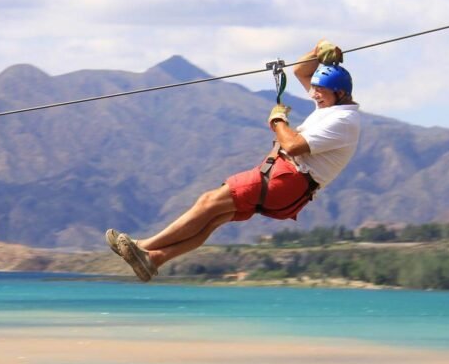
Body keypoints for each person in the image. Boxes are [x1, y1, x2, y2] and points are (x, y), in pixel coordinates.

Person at [107, 41, 361, 282]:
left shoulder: (342, 121)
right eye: (314, 89)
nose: (315, 95)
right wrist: (319, 48)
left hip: (286, 179)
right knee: (214, 218)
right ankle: (155, 259)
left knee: (208, 201)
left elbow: (292, 146)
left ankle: (142, 247)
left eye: (321, 91)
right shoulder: (330, 108)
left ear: (339, 93)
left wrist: (277, 121)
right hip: (290, 188)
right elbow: (300, 71)